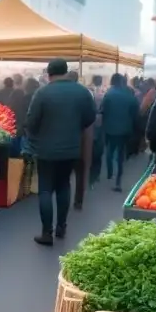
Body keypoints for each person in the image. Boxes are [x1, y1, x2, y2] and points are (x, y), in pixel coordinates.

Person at [24, 59, 96, 245]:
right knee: (64, 185)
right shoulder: (82, 92)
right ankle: (62, 227)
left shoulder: (42, 93)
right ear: (66, 71)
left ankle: (46, 233)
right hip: (71, 149)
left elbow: (31, 122)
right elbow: (90, 118)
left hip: (45, 150)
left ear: (49, 74)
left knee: (46, 189)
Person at [100, 73, 140, 191]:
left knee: (109, 151)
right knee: (120, 154)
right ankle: (118, 181)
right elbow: (135, 113)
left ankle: (110, 174)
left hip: (109, 129)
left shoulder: (108, 95)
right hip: (125, 130)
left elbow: (102, 110)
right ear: (123, 82)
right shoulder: (129, 95)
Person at [66, 70, 95, 210]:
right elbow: (91, 116)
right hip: (83, 136)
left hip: (65, 137)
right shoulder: (86, 93)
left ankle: (63, 197)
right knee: (81, 171)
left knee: (64, 172)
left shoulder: (62, 93)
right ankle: (78, 201)